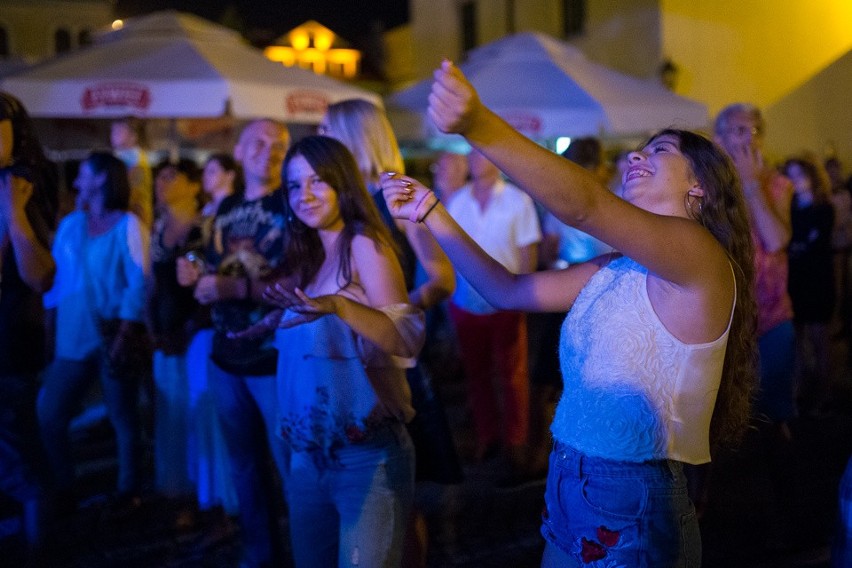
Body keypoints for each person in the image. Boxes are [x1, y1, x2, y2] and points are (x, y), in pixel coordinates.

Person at [381, 61, 757, 566]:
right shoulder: (617, 267)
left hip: (633, 502)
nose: (635, 156)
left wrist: (478, 124)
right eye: (638, 149)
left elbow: (584, 207)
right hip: (568, 486)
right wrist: (433, 214)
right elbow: (508, 290)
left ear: (700, 188)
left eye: (659, 150)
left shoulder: (702, 257)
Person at [266, 135, 423, 567]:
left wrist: (339, 305)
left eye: (318, 181)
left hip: (366, 457)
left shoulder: (363, 244)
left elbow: (406, 337)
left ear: (343, 184)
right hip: (308, 455)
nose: (305, 195)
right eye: (294, 186)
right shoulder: (309, 254)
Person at [319, 98, 460, 565]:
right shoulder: (336, 202)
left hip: (391, 360)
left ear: (353, 137)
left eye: (326, 129)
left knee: (401, 492)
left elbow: (442, 279)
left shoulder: (393, 195)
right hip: (344, 358)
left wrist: (393, 314)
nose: (318, 140)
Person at [175, 119, 290, 568]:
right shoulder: (226, 209)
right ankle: (261, 554)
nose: (271, 149)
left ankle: (307, 551)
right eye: (259, 142)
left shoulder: (293, 202)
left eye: (279, 143)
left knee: (292, 469)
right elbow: (209, 260)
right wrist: (191, 268)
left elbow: (302, 281)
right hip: (225, 355)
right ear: (238, 152)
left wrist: (234, 291)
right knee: (244, 469)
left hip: (275, 359)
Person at [38, 152, 149, 513]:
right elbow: (56, 282)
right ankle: (64, 484)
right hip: (71, 335)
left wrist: (125, 332)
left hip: (113, 334)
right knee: (49, 412)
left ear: (101, 179)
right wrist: (50, 328)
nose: (75, 182)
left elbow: (139, 283)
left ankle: (127, 489)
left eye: (82, 174)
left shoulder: (129, 225)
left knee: (122, 416)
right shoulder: (71, 224)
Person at [446, 148, 541, 481]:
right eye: (472, 154)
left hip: (506, 302)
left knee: (512, 373)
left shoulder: (518, 201)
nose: (476, 159)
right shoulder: (457, 202)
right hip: (466, 302)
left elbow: (528, 253)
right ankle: (488, 435)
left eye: (482, 154)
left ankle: (515, 440)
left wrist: (523, 299)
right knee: (477, 375)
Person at [0, 91, 58, 561]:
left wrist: (15, 215)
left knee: (24, 465)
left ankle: (40, 552)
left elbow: (40, 275)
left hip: (9, 348)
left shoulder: (18, 186)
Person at [147, 158, 204, 498]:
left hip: (196, 337)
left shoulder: (205, 228)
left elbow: (207, 290)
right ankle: (177, 489)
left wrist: (190, 330)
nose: (161, 183)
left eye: (171, 176)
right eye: (160, 177)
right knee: (170, 415)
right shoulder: (157, 229)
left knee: (198, 414)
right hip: (166, 335)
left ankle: (204, 494)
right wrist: (152, 328)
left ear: (194, 185)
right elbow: (153, 285)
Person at [784, 156, 835, 416]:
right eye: (791, 176)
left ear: (811, 177)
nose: (795, 181)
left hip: (818, 279)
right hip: (796, 279)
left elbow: (812, 242)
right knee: (797, 338)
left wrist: (796, 247)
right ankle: (801, 391)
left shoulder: (824, 208)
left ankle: (825, 393)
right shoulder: (788, 208)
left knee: (819, 339)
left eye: (800, 175)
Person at [111, 117, 153, 227]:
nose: (113, 135)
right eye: (113, 131)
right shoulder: (122, 157)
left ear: (133, 136)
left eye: (119, 131)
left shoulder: (136, 161)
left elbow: (133, 190)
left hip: (134, 216)